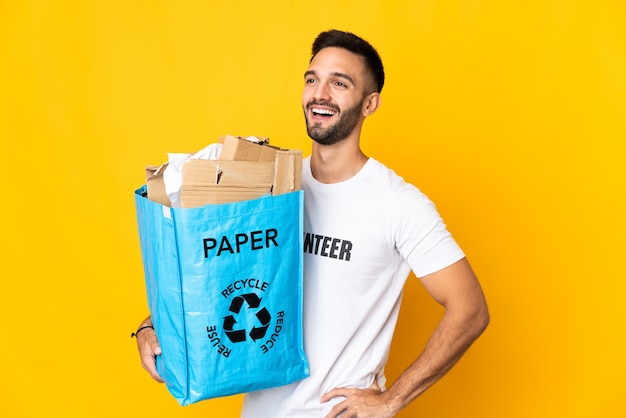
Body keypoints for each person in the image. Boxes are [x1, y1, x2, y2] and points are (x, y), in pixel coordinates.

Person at [135, 29, 489, 417]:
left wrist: (392, 399)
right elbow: (215, 273)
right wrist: (152, 326)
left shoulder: (397, 204)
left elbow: (469, 308)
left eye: (339, 83)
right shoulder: (273, 187)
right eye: (312, 79)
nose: (320, 94)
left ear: (370, 104)